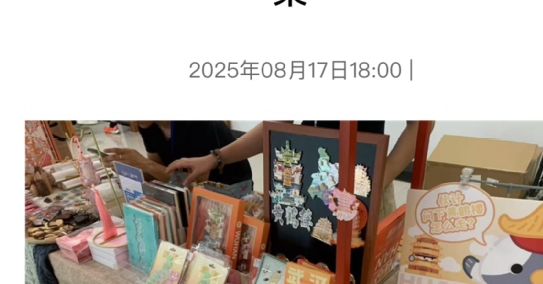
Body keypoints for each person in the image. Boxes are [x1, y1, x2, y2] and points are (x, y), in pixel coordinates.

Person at [166, 120, 422, 215]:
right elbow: (278, 122)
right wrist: (215, 158)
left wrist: (377, 182)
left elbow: (420, 124)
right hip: (307, 184)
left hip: (361, 189)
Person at [104, 122, 253, 188]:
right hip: (190, 188)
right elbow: (157, 172)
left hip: (230, 189)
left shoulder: (198, 123)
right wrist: (128, 168)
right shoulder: (148, 126)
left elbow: (196, 184)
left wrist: (145, 164)